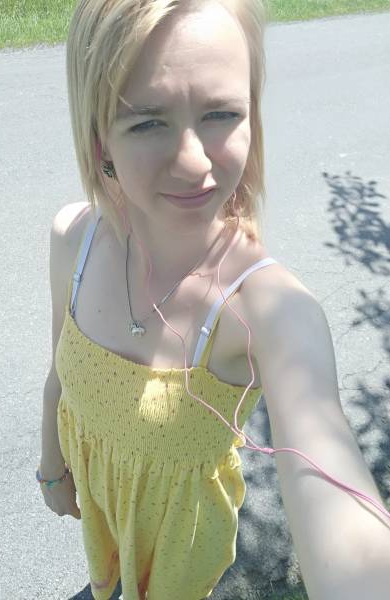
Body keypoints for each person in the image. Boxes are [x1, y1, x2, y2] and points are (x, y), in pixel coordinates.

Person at [37, 1, 390, 599]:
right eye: (147, 122)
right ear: (98, 138)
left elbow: (341, 511)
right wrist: (52, 469)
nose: (194, 162)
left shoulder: (265, 310)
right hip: (103, 527)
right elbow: (59, 376)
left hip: (180, 571)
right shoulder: (75, 238)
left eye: (221, 114)